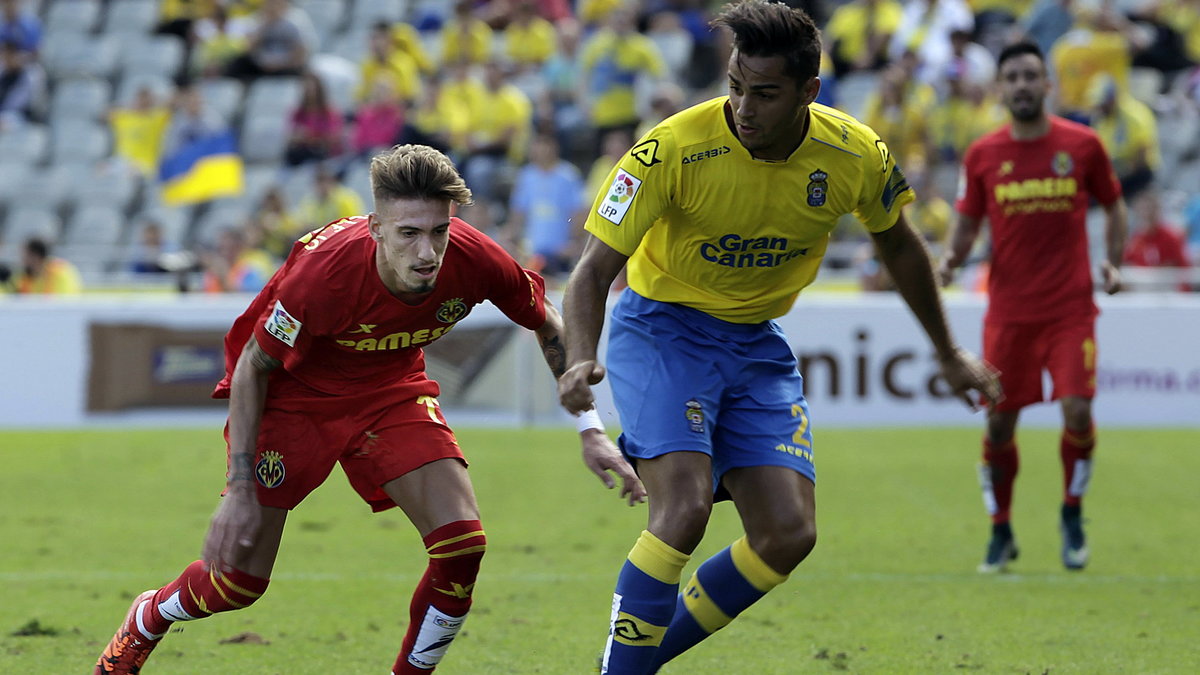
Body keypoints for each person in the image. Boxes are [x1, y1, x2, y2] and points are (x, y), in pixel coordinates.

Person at [556, 3, 1001, 673]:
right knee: (684, 508)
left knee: (788, 533)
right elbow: (592, 270)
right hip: (663, 331)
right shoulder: (670, 145)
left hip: (756, 344)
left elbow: (902, 248)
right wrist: (581, 354)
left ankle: (627, 661)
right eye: (735, 85)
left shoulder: (855, 152)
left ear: (808, 92)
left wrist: (948, 352)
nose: (743, 106)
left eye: (764, 93)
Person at [93, 144, 645, 675]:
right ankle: (148, 618)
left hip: (390, 390)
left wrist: (589, 427)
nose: (427, 253)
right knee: (237, 585)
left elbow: (545, 320)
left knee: (462, 546)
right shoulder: (325, 275)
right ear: (377, 228)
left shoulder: (474, 258)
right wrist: (238, 490)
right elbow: (253, 367)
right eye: (408, 234)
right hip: (296, 399)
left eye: (439, 232)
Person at [938, 41, 1127, 574]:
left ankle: (1071, 512)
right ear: (1001, 89)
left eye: (1030, 75)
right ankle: (1000, 530)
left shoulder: (1083, 145)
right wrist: (951, 259)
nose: (1021, 84)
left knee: (1078, 410)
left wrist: (1113, 262)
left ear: (1048, 85)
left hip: (1070, 308)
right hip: (1009, 314)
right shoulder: (983, 155)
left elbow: (1114, 205)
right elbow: (967, 219)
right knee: (1000, 426)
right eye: (1012, 77)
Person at [14, 237, 82, 294]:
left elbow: (66, 301)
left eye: (25, 255)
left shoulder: (60, 272)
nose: (22, 259)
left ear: (35, 256)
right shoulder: (24, 276)